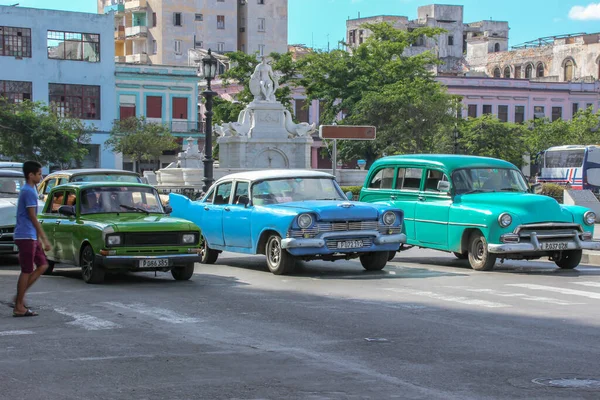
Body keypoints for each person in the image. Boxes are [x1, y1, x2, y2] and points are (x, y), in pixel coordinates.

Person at [12, 161, 51, 317]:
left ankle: (19, 298)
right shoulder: (28, 191)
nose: (41, 177)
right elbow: (32, 217)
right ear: (31, 175)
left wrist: (37, 238)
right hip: (25, 235)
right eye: (39, 174)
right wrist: (44, 237)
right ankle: (18, 306)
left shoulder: (32, 189)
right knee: (27, 270)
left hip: (30, 235)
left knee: (42, 265)